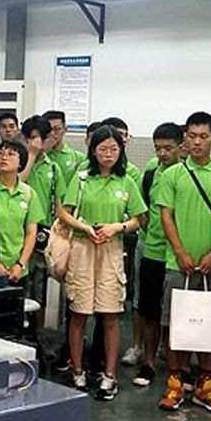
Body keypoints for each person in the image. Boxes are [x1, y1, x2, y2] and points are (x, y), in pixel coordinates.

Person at [157, 111, 211, 414]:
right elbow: (166, 215)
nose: (197, 142)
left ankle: (205, 388)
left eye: (203, 136)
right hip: (177, 265)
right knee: (175, 325)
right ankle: (174, 386)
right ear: (186, 138)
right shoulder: (172, 175)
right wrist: (180, 252)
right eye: (192, 136)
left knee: (210, 327)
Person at [59, 125, 148, 402]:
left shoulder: (126, 181)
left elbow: (138, 219)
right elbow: (64, 214)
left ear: (121, 150)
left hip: (112, 250)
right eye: (103, 149)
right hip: (82, 249)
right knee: (79, 313)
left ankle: (109, 376)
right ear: (93, 151)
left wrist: (116, 227)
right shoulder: (82, 178)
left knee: (110, 315)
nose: (108, 154)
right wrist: (84, 228)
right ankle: (77, 371)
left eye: (114, 149)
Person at [131, 122, 185, 388]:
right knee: (150, 312)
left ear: (181, 147)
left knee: (177, 315)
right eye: (158, 148)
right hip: (152, 251)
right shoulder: (151, 174)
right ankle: (149, 363)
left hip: (178, 256)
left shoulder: (187, 175)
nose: (163, 153)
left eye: (168, 148)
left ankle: (179, 369)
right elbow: (142, 209)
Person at [0, 140, 45, 291]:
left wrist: (20, 264)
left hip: (17, 270)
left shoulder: (28, 193)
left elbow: (31, 233)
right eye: (0, 154)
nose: (4, 157)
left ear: (21, 162)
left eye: (11, 154)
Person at [17, 115, 62, 332]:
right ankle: (18, 331)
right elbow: (18, 182)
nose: (37, 142)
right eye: (33, 137)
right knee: (20, 287)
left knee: (39, 290)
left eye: (41, 137)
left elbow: (59, 204)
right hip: (19, 234)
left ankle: (38, 335)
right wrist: (32, 155)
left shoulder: (53, 168)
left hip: (42, 235)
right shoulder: (18, 161)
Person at [45, 110, 87, 177]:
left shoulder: (78, 158)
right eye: (49, 130)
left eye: (57, 129)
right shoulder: (39, 157)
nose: (52, 133)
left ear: (65, 130)